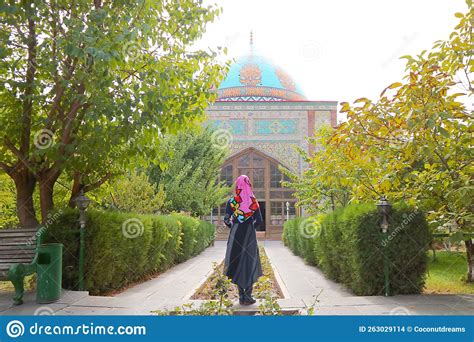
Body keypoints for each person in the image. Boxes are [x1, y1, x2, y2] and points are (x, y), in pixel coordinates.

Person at [223, 175, 263, 305]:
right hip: (249, 234)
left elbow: (226, 220)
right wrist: (251, 227)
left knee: (236, 260)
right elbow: (260, 221)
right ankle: (248, 296)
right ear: (249, 185)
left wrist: (234, 226)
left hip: (236, 234)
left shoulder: (232, 202)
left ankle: (241, 296)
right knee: (250, 261)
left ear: (237, 186)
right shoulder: (253, 201)